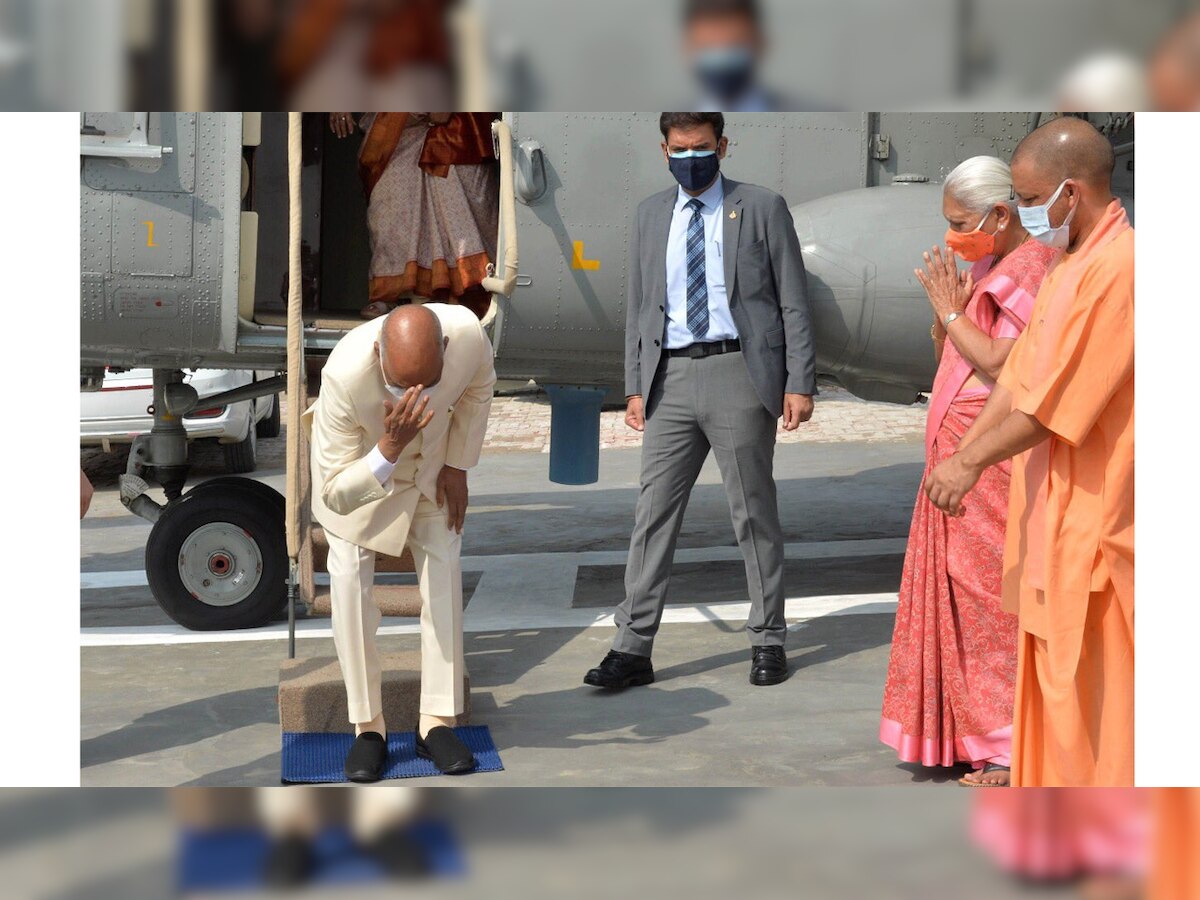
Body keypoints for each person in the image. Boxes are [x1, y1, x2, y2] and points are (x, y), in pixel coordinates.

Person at [924, 117, 1134, 787]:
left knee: (1102, 691)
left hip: (1103, 518)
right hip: (1052, 516)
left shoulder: (1122, 270)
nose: (1022, 211)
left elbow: (1055, 405)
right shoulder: (1071, 266)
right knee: (1054, 676)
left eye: (1030, 195)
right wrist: (967, 453)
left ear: (1070, 193)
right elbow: (1016, 381)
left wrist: (970, 461)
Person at [583, 112, 816, 691]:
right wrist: (635, 384)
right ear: (664, 150)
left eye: (703, 147)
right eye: (681, 148)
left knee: (752, 513)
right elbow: (640, 306)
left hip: (740, 371)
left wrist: (799, 380)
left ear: (723, 146)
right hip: (671, 380)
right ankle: (632, 647)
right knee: (652, 514)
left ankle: (767, 638)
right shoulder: (649, 215)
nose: (692, 157)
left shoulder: (760, 206)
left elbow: (793, 299)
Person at [880, 156, 1057, 788]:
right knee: (957, 595)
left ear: (1001, 215)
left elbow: (1007, 363)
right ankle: (970, 732)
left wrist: (951, 314)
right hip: (956, 455)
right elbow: (952, 357)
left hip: (987, 459)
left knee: (988, 599)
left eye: (962, 223)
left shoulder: (1033, 266)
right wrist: (945, 320)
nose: (955, 236)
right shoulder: (989, 266)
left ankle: (1009, 744)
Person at [303, 303, 496, 780]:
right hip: (359, 478)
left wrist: (457, 463)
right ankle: (368, 728)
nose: (412, 396)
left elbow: (479, 388)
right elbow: (334, 491)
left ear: (446, 350)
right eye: (397, 385)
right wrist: (388, 449)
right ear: (377, 353)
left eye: (426, 385)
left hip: (431, 471)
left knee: (445, 572)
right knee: (347, 580)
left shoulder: (468, 336)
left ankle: (436, 722)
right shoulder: (345, 375)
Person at [328, 111, 500, 320]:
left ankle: (447, 294)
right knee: (391, 205)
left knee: (460, 206)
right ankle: (391, 293)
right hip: (397, 129)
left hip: (459, 127)